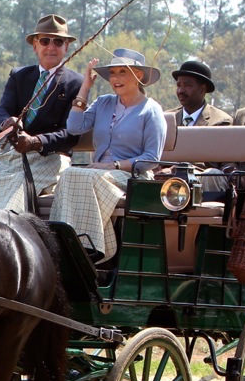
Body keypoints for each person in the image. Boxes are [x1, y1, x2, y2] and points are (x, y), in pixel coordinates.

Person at [52, 48, 168, 263]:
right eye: (112, 73)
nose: (115, 78)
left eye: (122, 72)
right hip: (97, 175)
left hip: (132, 177)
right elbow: (74, 127)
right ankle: (65, 243)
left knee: (84, 176)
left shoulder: (151, 111)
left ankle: (88, 248)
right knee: (69, 174)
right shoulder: (103, 102)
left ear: (138, 76)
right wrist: (85, 88)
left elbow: (151, 159)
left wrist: (113, 166)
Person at [0, 14, 85, 211]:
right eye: (45, 41)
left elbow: (70, 134)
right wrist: (6, 123)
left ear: (66, 47)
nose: (51, 47)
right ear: (35, 46)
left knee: (17, 188)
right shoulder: (19, 76)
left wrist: (35, 142)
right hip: (14, 156)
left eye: (58, 41)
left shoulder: (76, 83)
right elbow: (2, 110)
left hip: (51, 158)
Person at [169, 60, 231, 194]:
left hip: (199, 181)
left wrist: (185, 170)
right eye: (178, 85)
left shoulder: (221, 121)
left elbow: (221, 164)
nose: (180, 90)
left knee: (212, 174)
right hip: (166, 179)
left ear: (202, 89)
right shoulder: (167, 118)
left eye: (187, 85)